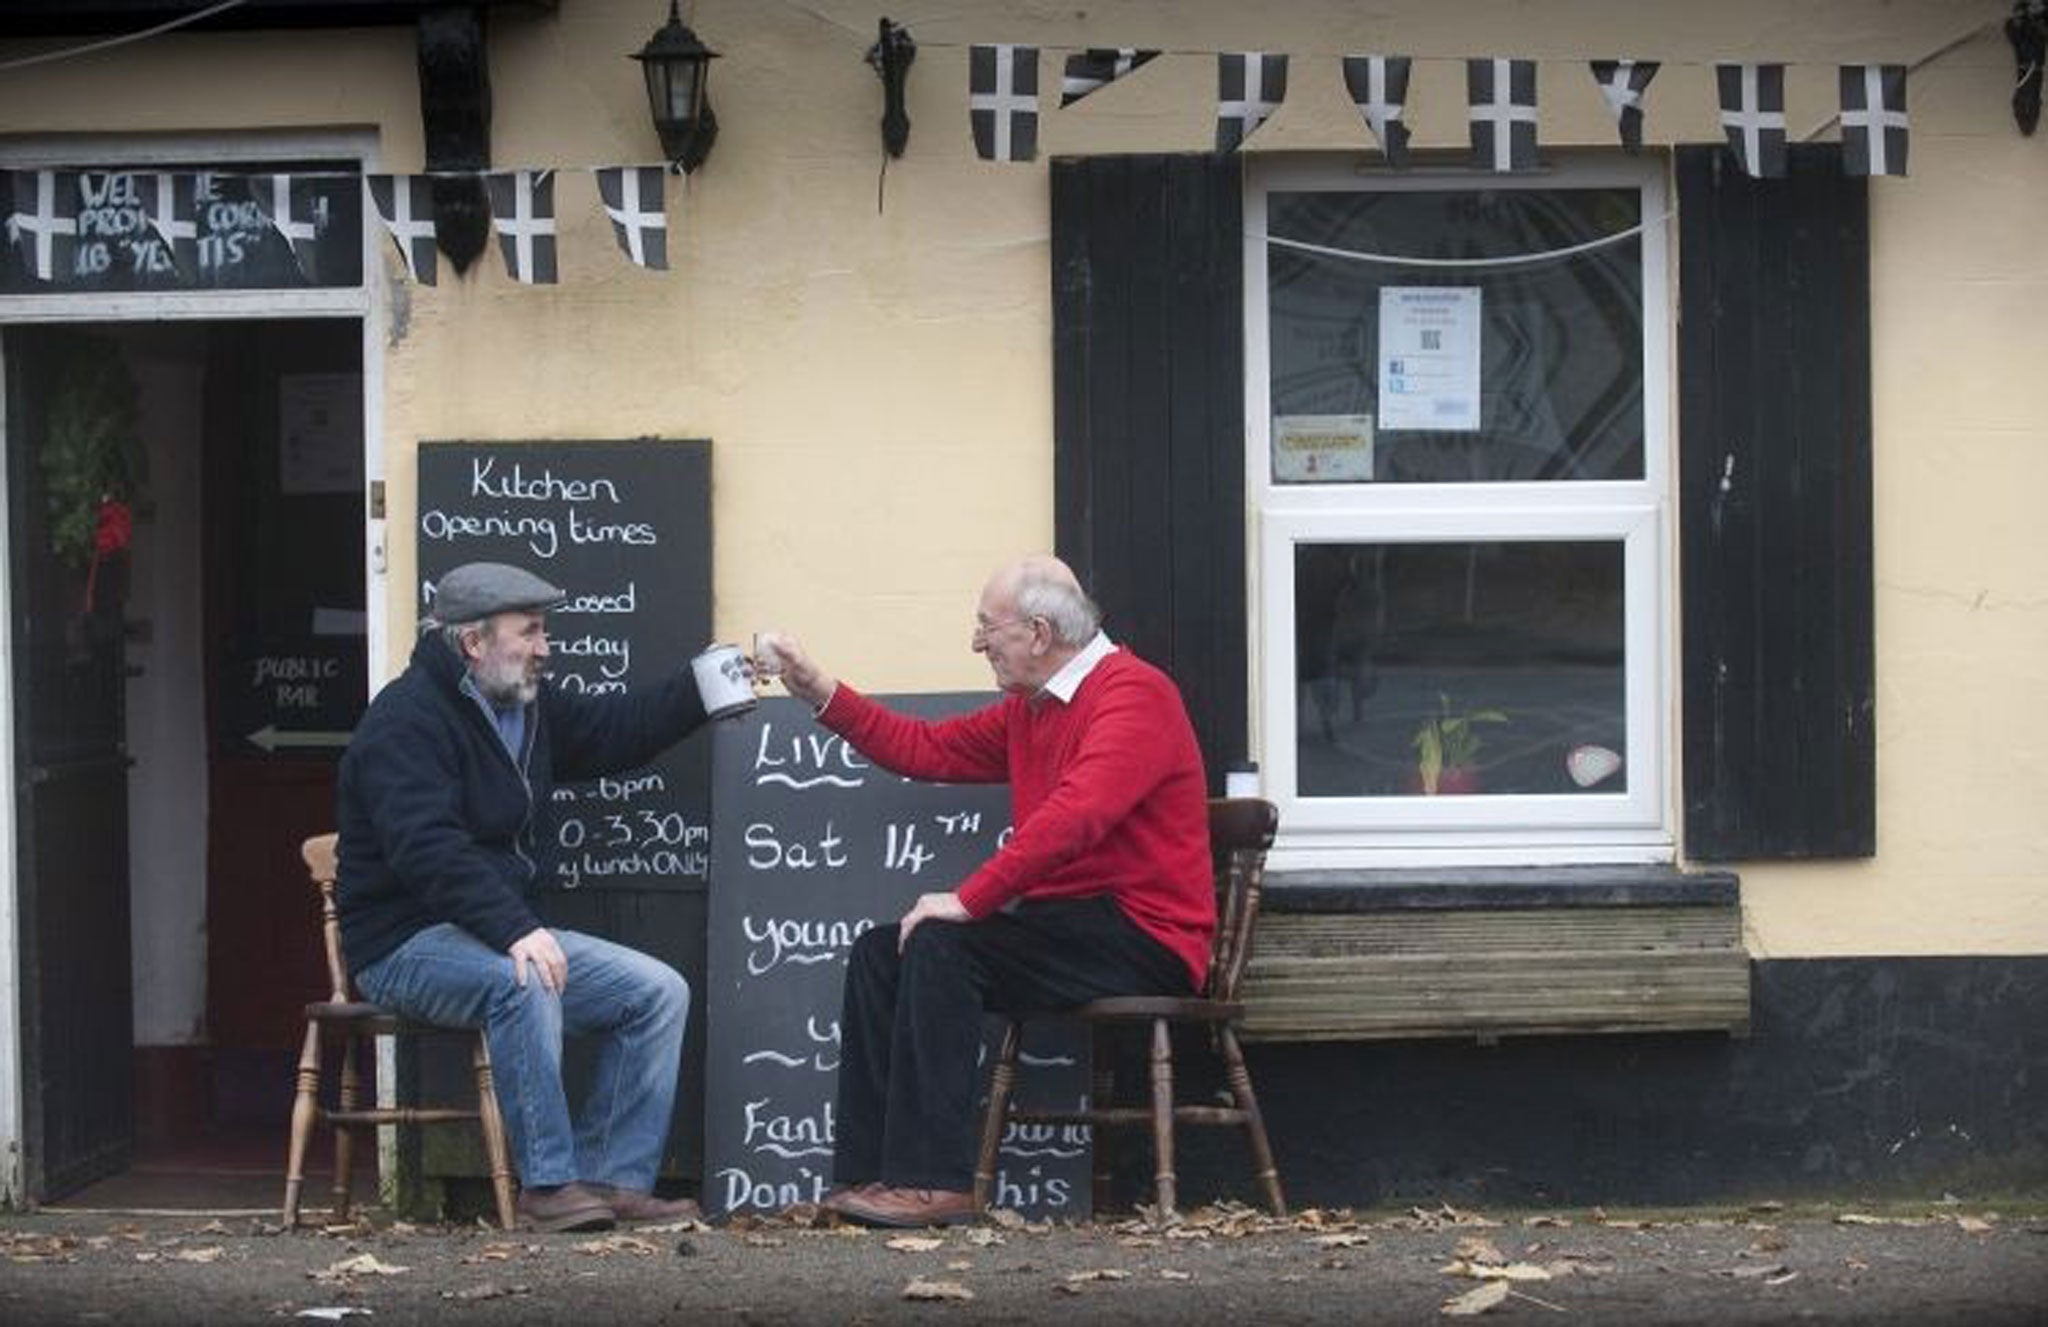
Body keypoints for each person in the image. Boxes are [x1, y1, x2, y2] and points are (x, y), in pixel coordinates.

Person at [763, 554, 1213, 1227]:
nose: (977, 643)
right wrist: (817, 689)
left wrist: (968, 898)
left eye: (986, 627)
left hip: (1144, 933)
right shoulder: (1031, 709)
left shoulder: (1135, 693)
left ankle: (934, 1184)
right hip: (1070, 925)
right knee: (881, 952)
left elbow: (1075, 816)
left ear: (1038, 632)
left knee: (944, 942)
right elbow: (923, 747)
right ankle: (867, 1175)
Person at [337, 562, 710, 1233]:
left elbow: (617, 728)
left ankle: (612, 1180)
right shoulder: (404, 720)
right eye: (530, 631)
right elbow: (427, 848)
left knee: (657, 991)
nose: (545, 646)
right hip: (403, 944)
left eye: (545, 631)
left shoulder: (526, 707)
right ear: (475, 643)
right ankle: (547, 1185)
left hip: (492, 934)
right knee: (526, 980)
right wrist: (515, 927)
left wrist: (710, 682)